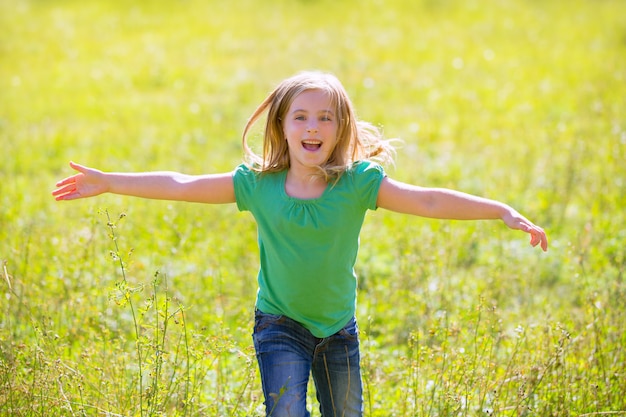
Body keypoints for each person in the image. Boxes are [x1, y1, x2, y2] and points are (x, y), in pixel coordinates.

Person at [52, 71, 548, 417]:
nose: (313, 127)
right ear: (283, 126)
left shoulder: (358, 184)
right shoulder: (257, 184)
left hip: (338, 330)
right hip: (279, 325)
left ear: (341, 129)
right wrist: (110, 181)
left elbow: (432, 202)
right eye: (302, 117)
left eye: (326, 118)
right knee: (286, 411)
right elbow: (181, 184)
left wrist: (500, 210)